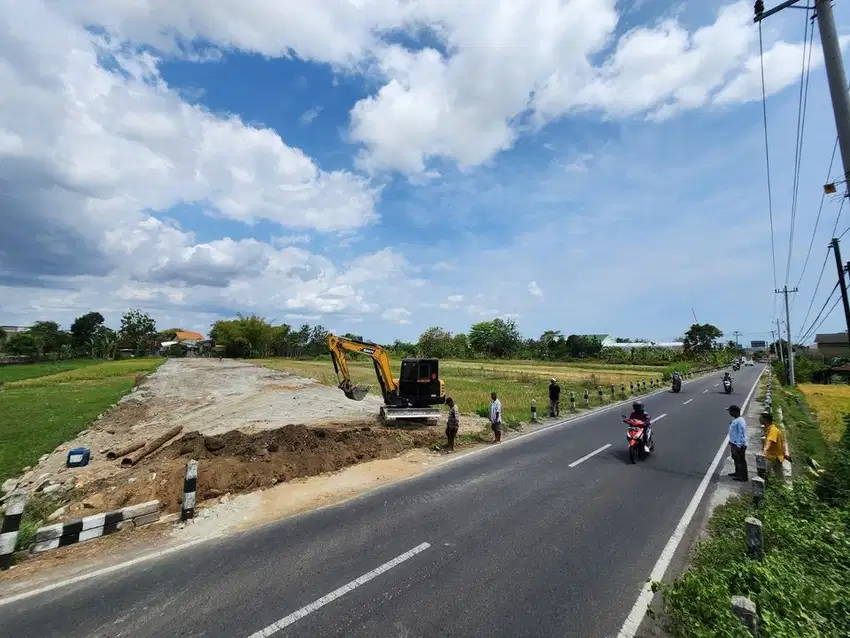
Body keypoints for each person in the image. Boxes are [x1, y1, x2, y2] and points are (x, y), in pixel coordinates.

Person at [760, 411, 788, 482]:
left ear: (766, 420)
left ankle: (768, 487)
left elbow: (770, 441)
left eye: (761, 418)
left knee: (765, 474)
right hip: (776, 456)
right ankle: (781, 487)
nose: (759, 419)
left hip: (773, 457)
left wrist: (765, 449)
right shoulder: (770, 429)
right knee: (779, 475)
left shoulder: (773, 430)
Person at [727, 405, 748, 481]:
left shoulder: (740, 421)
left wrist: (739, 444)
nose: (729, 413)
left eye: (730, 411)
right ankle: (737, 472)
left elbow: (741, 433)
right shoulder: (735, 420)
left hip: (738, 445)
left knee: (740, 460)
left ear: (735, 412)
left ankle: (743, 477)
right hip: (734, 443)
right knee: (735, 458)